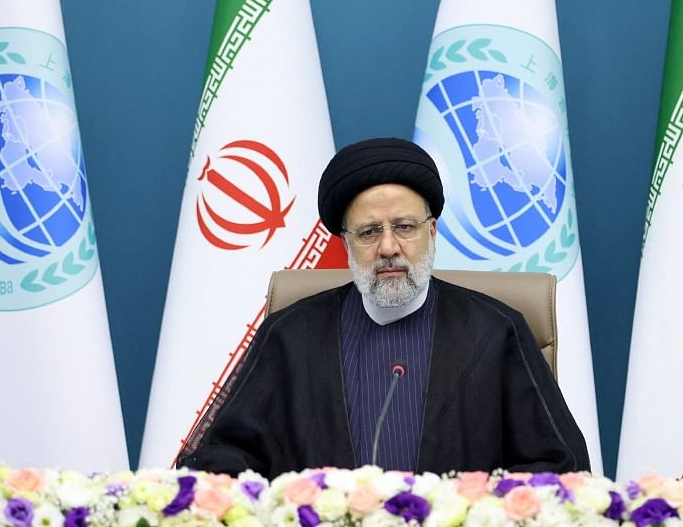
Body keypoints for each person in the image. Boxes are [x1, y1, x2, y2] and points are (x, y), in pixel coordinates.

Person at [178, 137, 590, 477]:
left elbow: (559, 467)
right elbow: (220, 462)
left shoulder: (496, 330)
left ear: (432, 232)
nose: (389, 247)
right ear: (346, 245)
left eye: (405, 227)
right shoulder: (290, 335)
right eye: (369, 232)